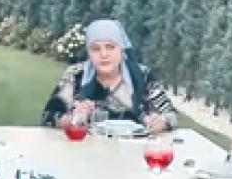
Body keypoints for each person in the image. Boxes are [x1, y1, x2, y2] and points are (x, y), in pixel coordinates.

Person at [40, 19, 177, 133]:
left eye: (110, 47)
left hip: (133, 152)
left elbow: (171, 115)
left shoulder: (142, 75)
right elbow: (48, 116)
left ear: (121, 49)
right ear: (88, 52)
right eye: (96, 49)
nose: (104, 54)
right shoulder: (76, 75)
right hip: (87, 151)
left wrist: (161, 122)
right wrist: (71, 119)